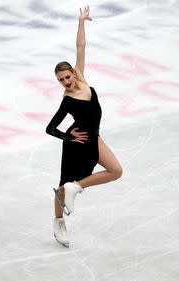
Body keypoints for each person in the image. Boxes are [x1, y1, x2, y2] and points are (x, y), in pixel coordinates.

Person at [46, 6, 123, 247]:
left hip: (94, 138)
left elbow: (81, 47)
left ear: (73, 73)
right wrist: (68, 139)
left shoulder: (82, 80)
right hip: (76, 143)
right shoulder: (67, 100)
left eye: (67, 77)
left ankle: (77, 187)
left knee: (116, 171)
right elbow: (50, 128)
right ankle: (58, 224)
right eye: (61, 80)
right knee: (61, 188)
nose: (66, 82)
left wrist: (81, 21)